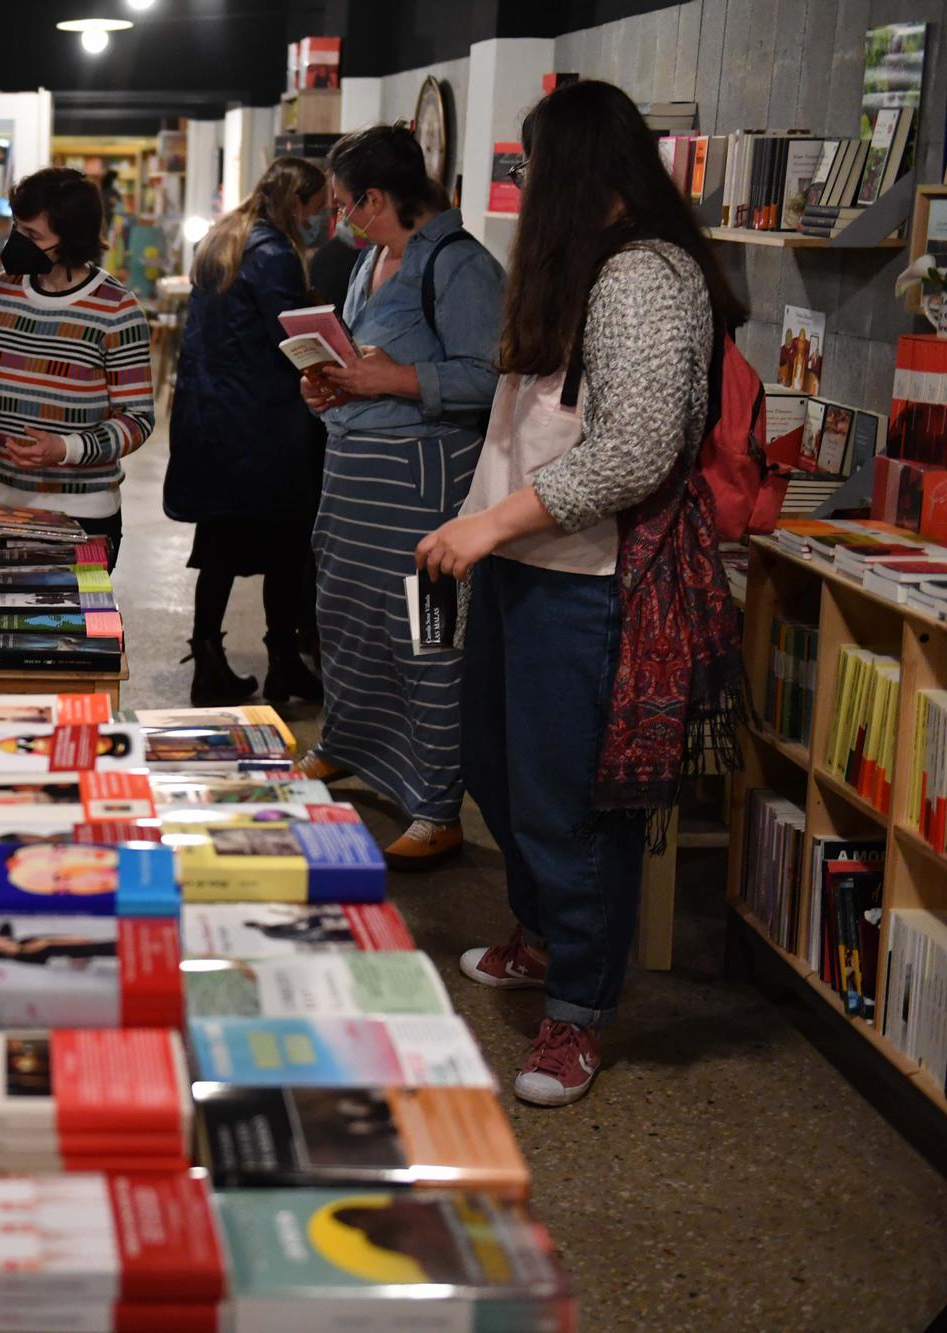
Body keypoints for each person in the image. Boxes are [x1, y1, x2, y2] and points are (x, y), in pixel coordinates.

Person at [417, 80, 745, 1107]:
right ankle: (541, 934)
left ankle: (578, 1011)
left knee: (570, 807)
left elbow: (636, 452)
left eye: (529, 164)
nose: (518, 182)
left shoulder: (646, 276)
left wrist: (490, 523)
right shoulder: (584, 267)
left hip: (587, 580)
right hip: (525, 566)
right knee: (499, 773)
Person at [297, 125, 504, 871]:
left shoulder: (460, 265)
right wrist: (331, 385)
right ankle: (346, 741)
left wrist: (393, 380)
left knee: (428, 636)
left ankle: (435, 805)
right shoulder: (373, 261)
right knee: (346, 618)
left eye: (346, 204)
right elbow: (363, 358)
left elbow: (490, 379)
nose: (340, 218)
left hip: (422, 491)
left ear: (378, 198)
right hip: (355, 480)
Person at [165, 154, 331, 706]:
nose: (324, 220)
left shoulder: (224, 240)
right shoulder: (275, 253)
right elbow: (292, 339)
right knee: (286, 546)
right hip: (263, 424)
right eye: (319, 208)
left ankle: (208, 657)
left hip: (214, 419)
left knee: (218, 548)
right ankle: (283, 660)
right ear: (297, 203)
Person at [0, 166, 155, 568]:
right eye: (17, 229)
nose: (16, 243)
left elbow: (137, 421)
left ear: (71, 240)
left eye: (32, 236)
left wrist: (65, 449)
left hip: (83, 514)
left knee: (70, 630)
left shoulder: (118, 310)